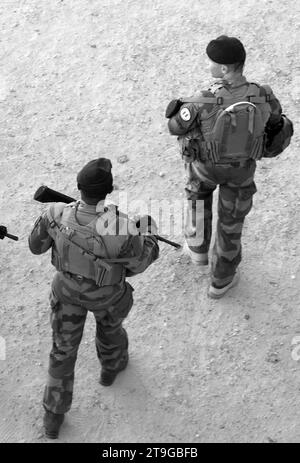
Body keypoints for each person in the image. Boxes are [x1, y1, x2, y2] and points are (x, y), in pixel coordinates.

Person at [28, 158, 159, 439]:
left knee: (62, 352)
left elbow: (35, 247)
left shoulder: (56, 214)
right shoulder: (122, 228)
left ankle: (53, 418)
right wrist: (149, 234)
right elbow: (138, 265)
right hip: (106, 295)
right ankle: (110, 369)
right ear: (108, 190)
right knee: (110, 329)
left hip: (65, 294)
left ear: (79, 186)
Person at [166, 35, 284, 299]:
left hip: (206, 167)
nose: (208, 65)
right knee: (231, 223)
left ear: (224, 69)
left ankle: (197, 249)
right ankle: (221, 281)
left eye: (212, 62)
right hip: (241, 170)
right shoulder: (263, 94)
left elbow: (174, 127)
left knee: (197, 196)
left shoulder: (204, 99)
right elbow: (277, 122)